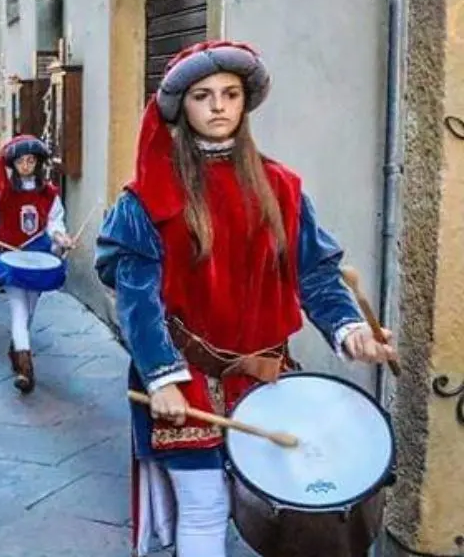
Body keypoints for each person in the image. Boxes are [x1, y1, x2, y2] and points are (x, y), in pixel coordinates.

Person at [94, 40, 399, 557]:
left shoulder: (281, 186)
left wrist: (352, 331)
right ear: (181, 107)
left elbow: (317, 275)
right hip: (183, 378)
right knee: (206, 509)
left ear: (245, 102)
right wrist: (160, 377)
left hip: (265, 373)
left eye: (230, 94)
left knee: (269, 509)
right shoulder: (148, 197)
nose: (218, 106)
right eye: (203, 95)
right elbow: (137, 299)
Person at [0, 135, 73, 393]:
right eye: (22, 160)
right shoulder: (2, 192)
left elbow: (55, 222)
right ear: (13, 163)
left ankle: (17, 346)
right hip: (10, 256)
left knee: (30, 308)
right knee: (19, 309)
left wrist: (61, 237)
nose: (26, 165)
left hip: (39, 257)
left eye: (31, 160)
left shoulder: (49, 194)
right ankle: (25, 367)